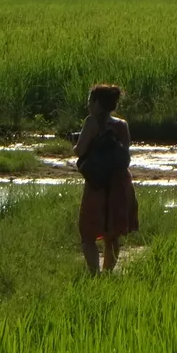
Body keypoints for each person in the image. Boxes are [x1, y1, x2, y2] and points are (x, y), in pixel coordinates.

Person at [74, 83, 139, 274]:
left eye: (89, 101)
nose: (88, 105)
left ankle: (94, 273)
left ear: (96, 103)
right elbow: (125, 153)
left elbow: (80, 150)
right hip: (119, 182)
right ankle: (109, 273)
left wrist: (74, 145)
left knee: (88, 232)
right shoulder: (122, 125)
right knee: (112, 233)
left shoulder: (91, 122)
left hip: (97, 183)